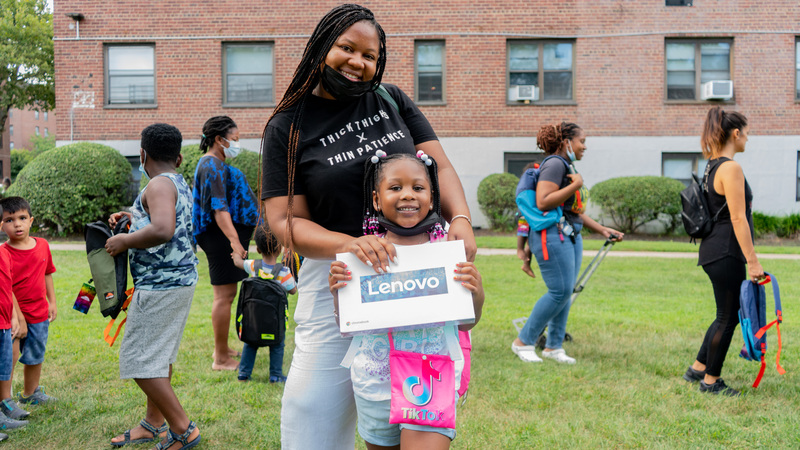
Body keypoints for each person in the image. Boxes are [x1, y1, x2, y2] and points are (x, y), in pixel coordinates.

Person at [260, 5, 476, 448]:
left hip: (417, 269)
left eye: (371, 56)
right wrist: (351, 244)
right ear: (323, 46)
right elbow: (284, 221)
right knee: (313, 416)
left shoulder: (392, 99)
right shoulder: (288, 126)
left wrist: (461, 219)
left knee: (412, 418)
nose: (359, 63)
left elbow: (441, 166)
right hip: (339, 276)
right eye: (347, 48)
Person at [330, 151, 484, 449]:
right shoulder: (361, 255)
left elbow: (468, 322)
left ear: (431, 196)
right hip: (375, 378)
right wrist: (339, 291)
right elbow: (347, 324)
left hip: (430, 370)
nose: (408, 195)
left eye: (418, 187)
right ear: (376, 199)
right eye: (395, 187)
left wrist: (475, 292)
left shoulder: (448, 254)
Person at [106, 123, 201, 448]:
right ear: (179, 157)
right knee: (158, 357)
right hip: (179, 280)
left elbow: (163, 229)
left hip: (162, 284)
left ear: (143, 154)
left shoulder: (158, 184)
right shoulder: (175, 181)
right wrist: (133, 218)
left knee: (139, 359)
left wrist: (124, 241)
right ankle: (153, 423)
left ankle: (183, 428)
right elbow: (161, 220)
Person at [511, 122, 623, 364]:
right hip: (551, 235)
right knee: (559, 291)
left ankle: (553, 346)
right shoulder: (554, 164)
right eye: (582, 141)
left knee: (565, 292)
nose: (584, 147)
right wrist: (575, 184)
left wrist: (602, 229)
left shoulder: (565, 165)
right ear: (567, 142)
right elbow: (543, 201)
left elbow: (572, 211)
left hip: (568, 232)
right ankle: (523, 342)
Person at [682, 107, 764, 397]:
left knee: (724, 314)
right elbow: (738, 218)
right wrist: (752, 261)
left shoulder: (712, 165)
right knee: (728, 317)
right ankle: (711, 381)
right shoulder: (730, 168)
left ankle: (697, 368)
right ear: (736, 133)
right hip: (726, 251)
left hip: (714, 250)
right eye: (747, 134)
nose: (748, 140)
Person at [193, 115, 258, 371]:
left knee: (228, 294)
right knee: (224, 296)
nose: (237, 144)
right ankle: (220, 357)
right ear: (219, 140)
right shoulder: (211, 165)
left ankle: (223, 348)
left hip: (225, 236)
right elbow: (219, 208)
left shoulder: (216, 163)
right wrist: (233, 240)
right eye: (235, 139)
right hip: (220, 237)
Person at [0, 196, 58, 406]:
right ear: (2, 225)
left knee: (35, 354)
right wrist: (20, 318)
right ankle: (5, 400)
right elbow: (6, 286)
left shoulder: (42, 245)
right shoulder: (4, 252)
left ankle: (30, 393)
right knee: (9, 358)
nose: (17, 224)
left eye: (22, 218)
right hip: (13, 317)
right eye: (9, 220)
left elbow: (47, 273)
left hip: (39, 313)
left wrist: (52, 302)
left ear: (31, 220)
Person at [231, 226, 297, 383]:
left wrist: (236, 253)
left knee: (250, 343)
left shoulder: (253, 265)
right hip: (274, 321)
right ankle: (275, 375)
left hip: (253, 318)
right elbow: (293, 290)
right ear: (280, 248)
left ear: (258, 249)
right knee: (277, 345)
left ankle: (244, 374)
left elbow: (238, 262)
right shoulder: (284, 272)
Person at [0, 210, 26, 439]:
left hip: (4, 323)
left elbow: (7, 288)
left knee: (4, 367)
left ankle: (3, 408)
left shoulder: (2, 254)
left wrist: (15, 316)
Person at [515, 162, 538, 279]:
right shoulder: (528, 183)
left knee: (530, 242)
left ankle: (526, 265)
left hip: (530, 214)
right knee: (523, 230)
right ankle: (519, 250)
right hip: (524, 214)